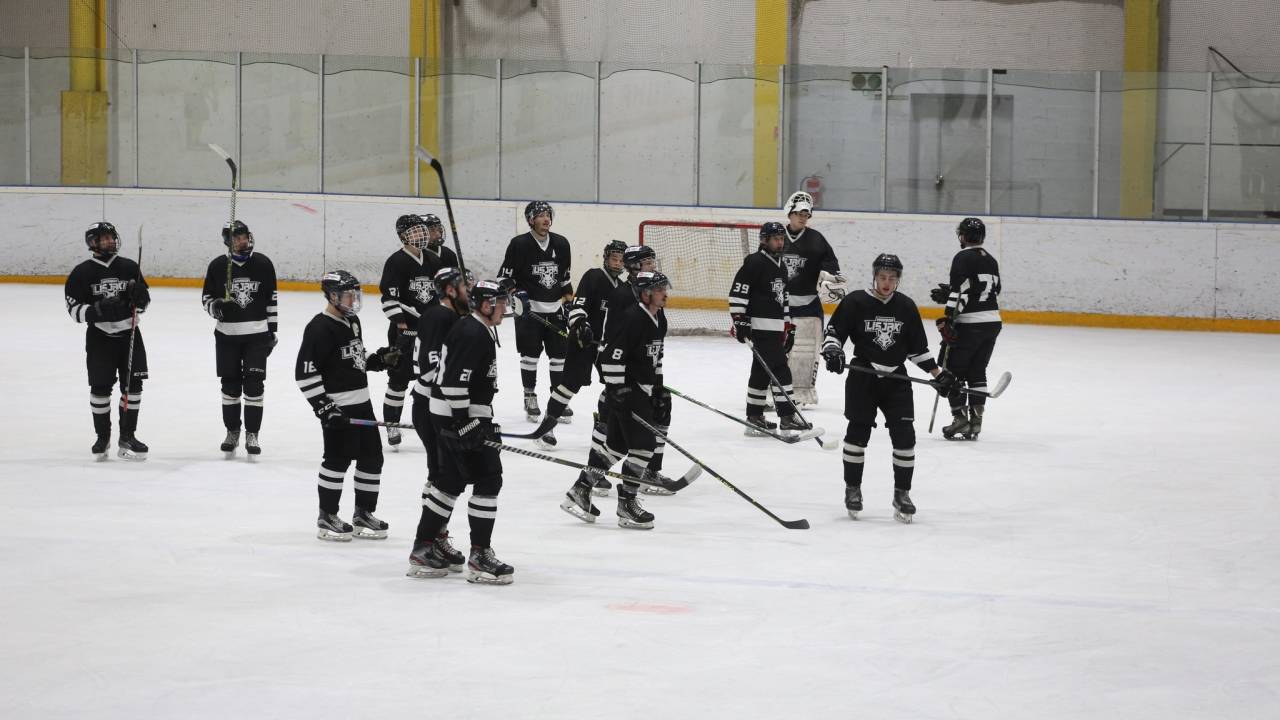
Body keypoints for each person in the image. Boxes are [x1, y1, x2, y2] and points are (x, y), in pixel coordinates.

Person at [821, 253, 958, 523]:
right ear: (875, 277)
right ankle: (853, 489)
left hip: (897, 380)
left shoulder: (906, 306)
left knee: (905, 437)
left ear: (898, 280)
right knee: (857, 434)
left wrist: (938, 374)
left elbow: (917, 350)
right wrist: (833, 352)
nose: (887, 283)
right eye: (883, 277)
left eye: (892, 278)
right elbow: (834, 334)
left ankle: (902, 494)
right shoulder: (855, 302)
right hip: (863, 377)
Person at [407, 280, 515, 584]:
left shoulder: (476, 328)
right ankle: (479, 555)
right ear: (486, 305)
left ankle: (424, 547)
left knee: (450, 481)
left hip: (456, 415)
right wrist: (464, 423)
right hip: (457, 416)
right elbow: (453, 383)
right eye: (500, 303)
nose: (504, 308)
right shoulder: (471, 332)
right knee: (488, 478)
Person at [559, 271, 672, 530]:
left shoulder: (658, 319)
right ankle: (627, 504)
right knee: (644, 446)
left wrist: (658, 389)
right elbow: (610, 357)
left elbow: (657, 358)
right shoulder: (631, 319)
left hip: (640, 390)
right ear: (645, 294)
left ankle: (580, 489)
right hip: (628, 391)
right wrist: (617, 391)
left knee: (617, 447)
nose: (664, 294)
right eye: (659, 289)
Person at [296, 270, 401, 541]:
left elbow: (355, 355)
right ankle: (327, 515)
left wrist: (377, 360)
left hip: (362, 404)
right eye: (348, 295)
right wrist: (325, 408)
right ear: (332, 296)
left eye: (355, 295)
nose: (353, 300)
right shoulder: (319, 328)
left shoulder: (352, 321)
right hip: (339, 409)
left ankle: (363, 513)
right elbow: (305, 374)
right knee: (337, 460)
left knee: (372, 458)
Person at [64, 221, 151, 460]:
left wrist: (140, 299)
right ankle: (102, 437)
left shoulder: (129, 266)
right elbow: (74, 311)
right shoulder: (82, 272)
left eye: (111, 237)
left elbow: (143, 303)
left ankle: (128, 436)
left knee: (133, 388)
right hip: (99, 339)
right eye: (104, 238)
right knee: (100, 389)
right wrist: (96, 311)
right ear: (93, 242)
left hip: (130, 335)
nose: (110, 241)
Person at [527, 239, 626, 450]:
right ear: (606, 259)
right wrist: (581, 324)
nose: (617, 263)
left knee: (615, 385)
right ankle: (546, 428)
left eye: (621, 260)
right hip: (583, 341)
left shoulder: (623, 288)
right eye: (614, 258)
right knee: (570, 385)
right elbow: (578, 305)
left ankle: (602, 427)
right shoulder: (594, 276)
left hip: (605, 346)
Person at [406, 266, 472, 574]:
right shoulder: (439, 317)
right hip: (431, 404)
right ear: (449, 290)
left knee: (444, 474)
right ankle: (429, 541)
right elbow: (431, 366)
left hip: (439, 403)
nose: (469, 291)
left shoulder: (452, 315)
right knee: (441, 475)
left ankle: (435, 536)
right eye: (464, 286)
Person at [201, 220, 278, 457]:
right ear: (228, 241)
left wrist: (272, 331)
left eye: (244, 236)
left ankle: (252, 433)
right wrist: (215, 306)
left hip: (257, 336)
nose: (242, 241)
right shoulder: (217, 266)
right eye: (237, 237)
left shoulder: (263, 263)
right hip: (227, 336)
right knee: (230, 386)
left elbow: (272, 298)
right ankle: (232, 431)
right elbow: (206, 298)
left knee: (254, 385)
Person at [497, 201, 572, 423]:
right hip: (528, 312)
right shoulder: (519, 244)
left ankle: (557, 400)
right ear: (531, 220)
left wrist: (570, 304)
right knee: (530, 357)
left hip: (555, 310)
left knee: (559, 357)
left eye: (548, 214)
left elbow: (565, 279)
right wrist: (517, 295)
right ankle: (529, 396)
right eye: (540, 215)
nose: (546, 219)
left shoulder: (562, 243)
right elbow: (504, 278)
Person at [929, 217, 1002, 440]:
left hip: (969, 323)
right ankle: (976, 422)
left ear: (962, 236)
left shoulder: (962, 257)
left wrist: (949, 317)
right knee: (977, 371)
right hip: (992, 322)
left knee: (952, 371)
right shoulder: (991, 260)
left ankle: (960, 419)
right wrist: (950, 294)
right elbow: (992, 290)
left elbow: (960, 291)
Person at [729, 222, 805, 435]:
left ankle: (754, 417)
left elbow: (784, 300)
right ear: (764, 240)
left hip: (775, 328)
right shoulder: (754, 262)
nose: (780, 243)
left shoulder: (781, 265)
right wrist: (739, 320)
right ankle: (787, 416)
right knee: (780, 369)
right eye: (776, 239)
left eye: (782, 239)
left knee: (761, 371)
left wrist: (788, 327)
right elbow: (738, 292)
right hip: (759, 328)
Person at [378, 214, 445, 450]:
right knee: (398, 381)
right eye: (415, 231)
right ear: (403, 236)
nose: (422, 234)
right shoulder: (396, 262)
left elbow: (443, 294)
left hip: (429, 333)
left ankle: (434, 423)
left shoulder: (433, 260)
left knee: (432, 379)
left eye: (422, 230)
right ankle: (392, 424)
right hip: (405, 333)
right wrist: (402, 324)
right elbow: (389, 299)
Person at [780, 191, 845, 407]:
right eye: (799, 213)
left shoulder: (817, 239)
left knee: (805, 353)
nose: (803, 217)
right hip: (778, 306)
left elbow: (833, 268)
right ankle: (773, 390)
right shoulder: (776, 237)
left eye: (806, 214)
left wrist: (829, 280)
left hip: (808, 305)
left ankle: (800, 393)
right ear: (789, 212)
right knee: (776, 352)